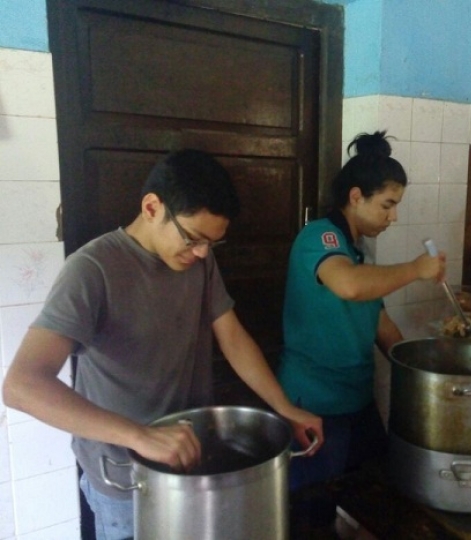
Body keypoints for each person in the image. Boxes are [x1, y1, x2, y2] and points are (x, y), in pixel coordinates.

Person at [1, 149, 323, 540]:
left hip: (191, 461)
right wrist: (140, 436)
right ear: (152, 207)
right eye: (194, 238)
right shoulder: (92, 270)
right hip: (126, 479)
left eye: (212, 244)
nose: (203, 253)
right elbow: (22, 386)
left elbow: (233, 338)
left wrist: (284, 407)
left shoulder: (197, 261)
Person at [277, 131, 445, 494]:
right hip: (315, 403)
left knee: (374, 495)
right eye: (387, 204)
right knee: (315, 509)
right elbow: (349, 285)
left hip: (358, 399)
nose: (393, 216)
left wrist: (425, 373)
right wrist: (416, 269)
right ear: (356, 197)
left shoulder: (361, 250)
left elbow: (379, 322)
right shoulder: (318, 237)